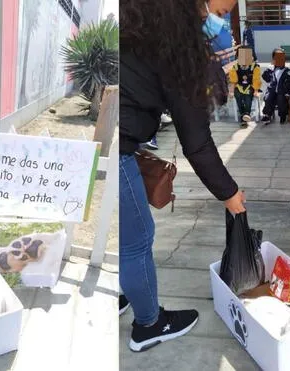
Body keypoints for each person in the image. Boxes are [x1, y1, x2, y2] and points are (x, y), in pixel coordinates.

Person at [120, 0, 245, 352]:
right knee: (137, 239)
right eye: (221, 14)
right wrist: (230, 194)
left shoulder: (139, 19)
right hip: (118, 147)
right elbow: (198, 144)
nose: (221, 23)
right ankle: (148, 324)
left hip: (102, 139)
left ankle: (121, 294)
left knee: (118, 231)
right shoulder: (178, 45)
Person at [228, 46, 261, 127]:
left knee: (248, 95)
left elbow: (256, 80)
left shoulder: (255, 67)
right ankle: (243, 114)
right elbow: (233, 81)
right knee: (237, 95)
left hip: (250, 86)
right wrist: (231, 91)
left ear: (252, 57)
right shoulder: (235, 67)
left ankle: (246, 114)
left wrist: (256, 91)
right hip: (239, 86)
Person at [261, 48, 290, 125]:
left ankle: (282, 115)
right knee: (268, 98)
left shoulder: (286, 70)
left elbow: (289, 81)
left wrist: (286, 89)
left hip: (281, 90)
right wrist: (270, 68)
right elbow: (265, 77)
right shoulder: (271, 69)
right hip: (272, 89)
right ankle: (267, 114)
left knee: (281, 100)